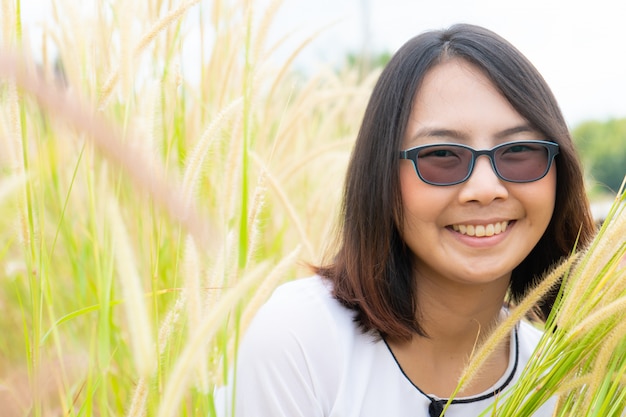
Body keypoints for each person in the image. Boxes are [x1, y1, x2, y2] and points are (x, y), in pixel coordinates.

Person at [222, 23, 596, 417]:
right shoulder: (299, 341)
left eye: (520, 150)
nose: (486, 188)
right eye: (441, 156)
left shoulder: (569, 382)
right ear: (381, 175)